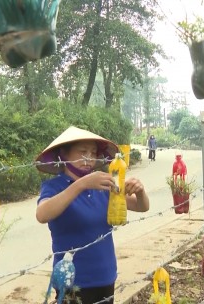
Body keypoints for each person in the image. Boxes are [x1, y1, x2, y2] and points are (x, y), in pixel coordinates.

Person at [35, 126, 150, 304]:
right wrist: (81, 184)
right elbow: (42, 215)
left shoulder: (103, 183)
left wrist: (140, 191)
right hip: (73, 282)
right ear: (64, 155)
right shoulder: (54, 186)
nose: (89, 158)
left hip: (105, 277)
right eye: (83, 152)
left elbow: (142, 207)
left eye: (93, 152)